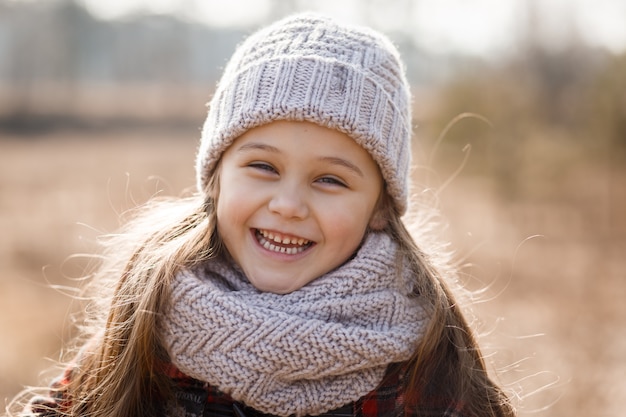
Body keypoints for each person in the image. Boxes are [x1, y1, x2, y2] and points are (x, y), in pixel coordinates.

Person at [12, 12, 515, 417]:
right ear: (214, 177)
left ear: (380, 206)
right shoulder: (146, 324)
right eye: (262, 166)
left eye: (330, 179)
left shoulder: (427, 359)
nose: (288, 205)